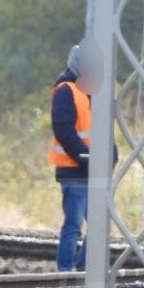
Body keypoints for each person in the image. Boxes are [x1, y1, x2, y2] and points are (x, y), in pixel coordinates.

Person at [48, 45, 91, 272]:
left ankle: (82, 270)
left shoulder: (93, 90)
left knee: (99, 226)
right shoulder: (66, 90)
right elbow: (64, 130)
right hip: (73, 171)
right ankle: (65, 273)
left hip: (92, 170)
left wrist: (109, 156)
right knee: (73, 225)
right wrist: (87, 158)